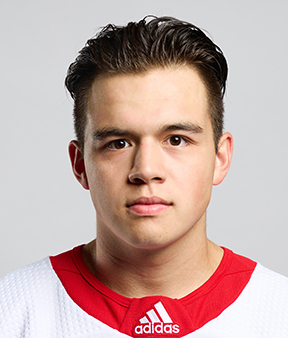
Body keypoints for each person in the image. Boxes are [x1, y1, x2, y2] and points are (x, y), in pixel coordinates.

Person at [1, 16, 287, 338]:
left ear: (220, 158)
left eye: (176, 139)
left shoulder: (280, 312)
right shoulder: (11, 312)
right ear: (80, 164)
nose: (146, 170)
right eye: (118, 143)